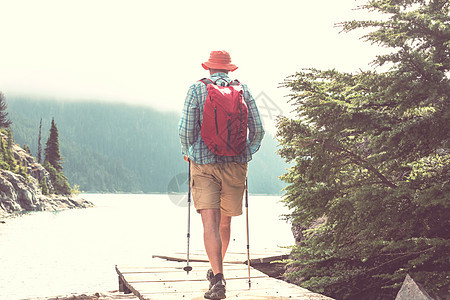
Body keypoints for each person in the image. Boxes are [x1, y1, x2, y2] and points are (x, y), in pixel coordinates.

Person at [178, 50, 264, 299]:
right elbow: (258, 130)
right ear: (229, 69)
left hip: (204, 165)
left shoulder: (196, 89)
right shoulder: (243, 90)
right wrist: (246, 152)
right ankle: (217, 271)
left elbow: (185, 130)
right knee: (226, 222)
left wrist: (188, 152)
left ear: (208, 69)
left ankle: (218, 278)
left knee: (210, 223)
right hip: (235, 165)